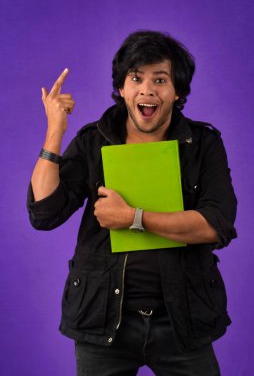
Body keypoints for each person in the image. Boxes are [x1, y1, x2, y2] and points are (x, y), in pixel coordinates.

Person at [27, 30, 237, 376]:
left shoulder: (203, 144)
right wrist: (55, 130)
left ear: (177, 91)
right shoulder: (94, 141)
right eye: (136, 78)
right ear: (122, 88)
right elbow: (44, 212)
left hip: (183, 321)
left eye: (160, 79)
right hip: (102, 320)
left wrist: (133, 218)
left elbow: (216, 225)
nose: (147, 90)